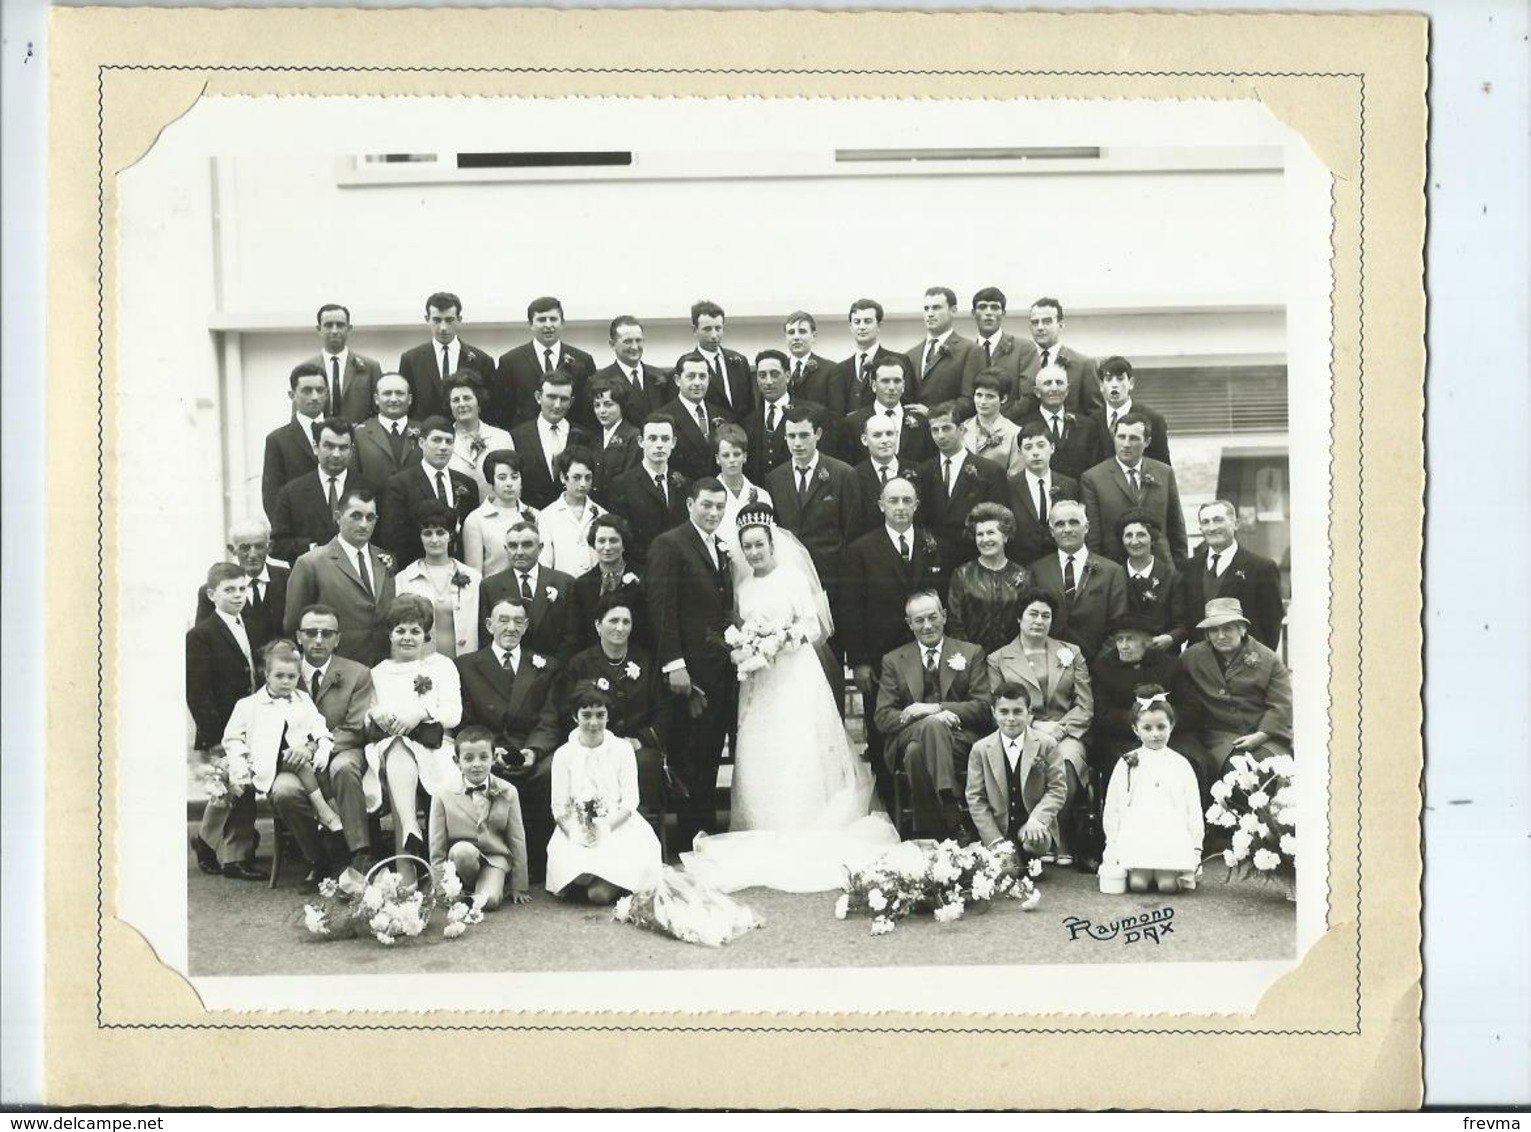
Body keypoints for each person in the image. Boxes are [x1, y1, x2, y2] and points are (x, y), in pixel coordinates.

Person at [680, 507, 899, 892]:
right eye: (747, 547)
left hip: (796, 674)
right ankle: (763, 823)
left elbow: (815, 625)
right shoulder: (743, 587)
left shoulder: (794, 578)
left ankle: (805, 820)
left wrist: (781, 640)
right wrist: (749, 646)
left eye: (759, 545)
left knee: (799, 743)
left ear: (771, 543)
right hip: (759, 679)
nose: (753, 553)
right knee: (763, 744)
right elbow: (737, 626)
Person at [840, 477, 943, 810]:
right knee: (882, 730)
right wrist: (859, 661)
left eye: (906, 500)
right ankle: (889, 807)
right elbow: (851, 608)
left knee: (928, 727)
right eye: (893, 500)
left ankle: (930, 803)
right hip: (880, 660)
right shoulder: (860, 549)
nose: (900, 507)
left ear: (916, 504)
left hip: (928, 655)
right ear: (881, 505)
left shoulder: (933, 543)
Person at [646, 477, 736, 849]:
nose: (713, 512)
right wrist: (673, 664)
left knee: (708, 752)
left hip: (719, 670)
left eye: (719, 506)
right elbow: (661, 606)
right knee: (689, 755)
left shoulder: (718, 546)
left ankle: (705, 835)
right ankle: (687, 840)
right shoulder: (670, 544)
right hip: (688, 672)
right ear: (689, 505)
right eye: (706, 506)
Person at [455, 596, 564, 882]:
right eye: (503, 620)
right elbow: (467, 721)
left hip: (531, 747)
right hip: (489, 749)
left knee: (549, 773)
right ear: (489, 625)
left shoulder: (547, 666)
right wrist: (492, 752)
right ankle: (490, 862)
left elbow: (550, 718)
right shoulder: (466, 665)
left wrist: (533, 751)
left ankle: (539, 864)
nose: (510, 627)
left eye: (518, 621)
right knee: (480, 772)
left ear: (526, 626)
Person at [220, 639, 343, 887]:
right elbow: (232, 739)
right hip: (269, 766)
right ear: (267, 675)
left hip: (300, 762)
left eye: (292, 677)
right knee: (285, 792)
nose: (286, 682)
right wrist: (241, 764)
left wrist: (318, 745)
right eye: (279, 676)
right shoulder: (248, 705)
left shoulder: (302, 701)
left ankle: (336, 846)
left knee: (304, 765)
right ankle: (318, 852)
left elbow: (319, 726)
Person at [985, 588, 1093, 866]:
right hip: (1021, 731)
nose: (1039, 620)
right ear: (1019, 618)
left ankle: (1056, 834)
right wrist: (1036, 727)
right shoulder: (998, 659)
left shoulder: (1071, 653)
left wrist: (1060, 727)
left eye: (1046, 615)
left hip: (1064, 732)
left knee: (1067, 759)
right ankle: (1034, 838)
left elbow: (1085, 705)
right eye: (1032, 614)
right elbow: (998, 706)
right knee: (1031, 758)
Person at [873, 590, 992, 841]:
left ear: (944, 616)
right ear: (910, 624)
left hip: (960, 740)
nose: (927, 626)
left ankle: (928, 830)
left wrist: (936, 708)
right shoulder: (894, 660)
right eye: (919, 620)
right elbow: (883, 717)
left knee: (917, 752)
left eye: (932, 617)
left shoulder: (971, 653)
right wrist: (924, 718)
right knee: (930, 728)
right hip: (908, 735)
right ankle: (951, 808)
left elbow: (983, 708)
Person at [364, 594, 464, 885]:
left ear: (426, 634)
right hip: (389, 751)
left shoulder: (442, 666)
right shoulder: (377, 672)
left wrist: (420, 712)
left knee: (403, 748)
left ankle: (406, 858)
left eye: (415, 631)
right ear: (390, 634)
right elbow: (366, 715)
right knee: (397, 746)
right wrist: (377, 714)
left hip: (434, 746)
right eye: (400, 631)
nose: (407, 638)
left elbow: (454, 713)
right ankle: (410, 833)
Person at [545, 684, 664, 904]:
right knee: (581, 877)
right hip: (577, 826)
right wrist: (576, 832)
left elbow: (630, 801)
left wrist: (605, 827)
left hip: (617, 825)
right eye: (586, 715)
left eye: (600, 715)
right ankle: (591, 876)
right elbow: (559, 807)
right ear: (574, 716)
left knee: (597, 896)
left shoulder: (622, 749)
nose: (593, 723)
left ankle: (613, 881)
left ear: (608, 716)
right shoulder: (564, 754)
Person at [554, 594, 668, 818]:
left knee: (644, 763)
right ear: (598, 625)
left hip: (635, 743)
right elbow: (567, 710)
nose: (620, 627)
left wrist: (641, 739)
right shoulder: (581, 663)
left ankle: (634, 821)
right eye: (613, 621)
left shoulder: (646, 662)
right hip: (591, 741)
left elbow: (663, 710)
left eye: (626, 622)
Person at [186, 563, 264, 880]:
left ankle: (208, 843)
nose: (237, 595)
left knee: (237, 789)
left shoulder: (252, 624)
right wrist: (214, 735)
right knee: (231, 789)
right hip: (223, 725)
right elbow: (197, 692)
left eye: (242, 589)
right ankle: (235, 857)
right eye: (229, 590)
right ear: (212, 594)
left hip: (251, 723)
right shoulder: (201, 635)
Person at [1173, 597, 1294, 793]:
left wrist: (1261, 735)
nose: (1221, 635)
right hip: (1217, 737)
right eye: (1214, 630)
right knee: (1237, 774)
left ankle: (1271, 823)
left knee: (1271, 771)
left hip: (1265, 734)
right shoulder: (1191, 658)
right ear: (1206, 634)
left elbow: (1282, 704)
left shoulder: (1268, 658)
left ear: (1242, 629)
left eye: (1228, 628)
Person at [294, 603, 377, 875]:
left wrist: (314, 748)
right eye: (311, 632)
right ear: (299, 636)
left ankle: (358, 853)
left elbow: (354, 727)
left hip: (345, 748)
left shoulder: (357, 673)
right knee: (284, 791)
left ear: (337, 639)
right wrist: (300, 752)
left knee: (342, 768)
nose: (318, 640)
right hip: (296, 759)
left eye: (327, 633)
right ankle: (318, 858)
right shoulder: (284, 673)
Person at [763, 404, 860, 632]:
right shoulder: (775, 478)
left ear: (817, 434)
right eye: (791, 436)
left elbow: (851, 530)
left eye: (804, 435)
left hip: (831, 578)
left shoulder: (842, 474)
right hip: (790, 578)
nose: (797, 443)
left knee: (831, 645)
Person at [1101, 687, 1204, 894]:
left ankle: (1166, 872)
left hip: (1169, 835)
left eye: (1161, 727)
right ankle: (1143, 869)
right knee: (1138, 885)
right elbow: (1113, 805)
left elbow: (1193, 806)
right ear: (1135, 730)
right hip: (1139, 834)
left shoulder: (1180, 764)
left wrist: (1195, 846)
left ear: (1171, 726)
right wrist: (1113, 841)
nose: (1155, 734)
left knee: (1167, 886)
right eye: (1147, 728)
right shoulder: (1127, 763)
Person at [283, 486, 396, 666]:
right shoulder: (311, 563)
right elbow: (293, 626)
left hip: (382, 666)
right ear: (338, 517)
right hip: (337, 668)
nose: (363, 524)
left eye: (370, 517)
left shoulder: (385, 560)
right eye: (356, 516)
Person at [428, 724, 532, 910]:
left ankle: (485, 886)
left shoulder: (508, 791)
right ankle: (461, 888)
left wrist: (519, 885)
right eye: (468, 758)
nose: (476, 764)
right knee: (462, 851)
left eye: (483, 757)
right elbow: (437, 846)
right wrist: (441, 887)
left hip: (494, 858)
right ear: (456, 761)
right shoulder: (442, 793)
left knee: (489, 902)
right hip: (461, 859)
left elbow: (517, 839)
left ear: (493, 759)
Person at [916, 401, 1010, 592]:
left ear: (961, 429)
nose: (940, 435)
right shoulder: (924, 471)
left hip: (976, 564)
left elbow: (999, 521)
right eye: (935, 430)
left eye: (946, 428)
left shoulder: (989, 471)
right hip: (935, 567)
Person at [965, 682, 1066, 856]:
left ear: (1029, 713)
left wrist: (1037, 819)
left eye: (1018, 711)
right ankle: (1012, 859)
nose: (1010, 718)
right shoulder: (980, 749)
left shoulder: (1046, 744)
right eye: (1004, 712)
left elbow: (1057, 788)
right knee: (1008, 872)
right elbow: (976, 798)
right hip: (999, 829)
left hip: (1032, 827)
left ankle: (1031, 857)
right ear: (993, 713)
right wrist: (994, 839)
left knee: (1035, 847)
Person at [1171, 500, 1286, 651]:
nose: (1212, 528)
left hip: (1244, 663)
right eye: (1205, 522)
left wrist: (1257, 664)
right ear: (1200, 528)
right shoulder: (1188, 568)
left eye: (1218, 520)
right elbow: (1184, 620)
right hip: (1200, 666)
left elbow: (1271, 624)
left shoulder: (1261, 568)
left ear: (1236, 524)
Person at [1081, 412, 1189, 567]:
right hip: (1116, 567)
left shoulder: (1164, 473)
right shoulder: (1093, 478)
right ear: (1113, 437)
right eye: (1121, 437)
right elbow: (1093, 538)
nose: (1126, 444)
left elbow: (1176, 527)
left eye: (1134, 438)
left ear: (1147, 441)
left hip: (1161, 567)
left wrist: (1181, 572)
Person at [1028, 499, 1128, 659]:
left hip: (1098, 664)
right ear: (1052, 532)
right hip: (1048, 663)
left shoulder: (1112, 571)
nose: (1067, 529)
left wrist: (1101, 662)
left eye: (1073, 523)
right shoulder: (1037, 571)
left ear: (1086, 527)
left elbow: (1119, 623)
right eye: (1060, 524)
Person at [1089, 614, 1182, 784]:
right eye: (1119, 640)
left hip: (1169, 736)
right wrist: (1139, 723)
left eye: (1130, 639)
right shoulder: (1103, 668)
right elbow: (1101, 714)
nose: (1123, 646)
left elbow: (1190, 708)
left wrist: (1161, 723)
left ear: (1146, 642)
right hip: (1122, 738)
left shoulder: (1170, 666)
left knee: (1193, 761)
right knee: (1128, 766)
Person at [379, 416, 478, 567]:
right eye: (436, 440)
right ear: (421, 443)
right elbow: (394, 538)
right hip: (417, 569)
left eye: (449, 441)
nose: (443, 447)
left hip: (458, 570)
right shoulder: (400, 484)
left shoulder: (467, 484)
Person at [491, 295, 597, 431]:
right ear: (530, 324)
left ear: (562, 322)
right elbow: (503, 411)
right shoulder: (510, 361)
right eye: (541, 320)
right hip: (526, 441)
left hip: (572, 440)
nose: (548, 325)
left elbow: (589, 408)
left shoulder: (583, 360)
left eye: (553, 319)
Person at [393, 501, 483, 659]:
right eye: (428, 533)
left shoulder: (473, 578)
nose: (434, 540)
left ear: (451, 535)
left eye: (440, 533)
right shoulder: (404, 579)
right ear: (420, 536)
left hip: (466, 663)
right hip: (421, 666)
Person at [479, 522, 577, 661]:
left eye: (527, 545)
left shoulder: (564, 583)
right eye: (513, 546)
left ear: (540, 547)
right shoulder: (490, 586)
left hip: (554, 669)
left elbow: (571, 636)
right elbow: (486, 637)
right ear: (506, 549)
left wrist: (553, 669)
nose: (519, 552)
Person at [605, 414, 690, 570]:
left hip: (681, 571)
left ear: (674, 443)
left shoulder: (684, 484)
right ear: (640, 442)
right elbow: (625, 538)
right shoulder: (622, 485)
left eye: (665, 439)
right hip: (643, 572)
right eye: (652, 438)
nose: (659, 445)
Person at [395, 291, 495, 423]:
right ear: (427, 319)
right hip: (426, 437)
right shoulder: (411, 359)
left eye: (449, 320)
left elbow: (490, 408)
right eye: (437, 320)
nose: (443, 327)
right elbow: (406, 405)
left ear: (459, 320)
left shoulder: (482, 360)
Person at [946, 502, 1033, 655]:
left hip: (1014, 660)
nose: (985, 539)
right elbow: (955, 625)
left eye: (991, 532)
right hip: (973, 660)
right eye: (980, 534)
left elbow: (1029, 622)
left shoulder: (1023, 575)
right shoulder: (962, 574)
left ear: (1005, 536)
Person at [193, 516, 289, 650]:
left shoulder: (288, 580)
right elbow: (202, 640)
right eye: (245, 548)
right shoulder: (213, 591)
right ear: (232, 549)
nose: (253, 554)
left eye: (259, 546)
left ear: (270, 547)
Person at [269, 417, 355, 563]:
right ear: (315, 447)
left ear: (351, 449)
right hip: (309, 578)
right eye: (329, 446)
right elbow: (277, 545)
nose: (336, 454)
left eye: (343, 448)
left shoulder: (370, 488)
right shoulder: (291, 493)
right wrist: (312, 548)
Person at [510, 371, 595, 510]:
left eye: (564, 399)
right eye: (551, 397)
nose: (557, 405)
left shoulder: (585, 437)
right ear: (538, 397)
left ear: (571, 402)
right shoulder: (517, 436)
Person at [566, 514, 649, 656]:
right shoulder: (582, 584)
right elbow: (575, 634)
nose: (607, 547)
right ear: (594, 544)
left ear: (624, 544)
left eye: (614, 541)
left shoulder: (644, 576)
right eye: (601, 541)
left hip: (637, 658)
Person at [1014, 363, 1109, 482]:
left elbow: (1095, 469)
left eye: (1059, 383)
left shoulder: (1088, 426)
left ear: (1067, 390)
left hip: (1080, 496)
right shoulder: (1022, 426)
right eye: (1048, 383)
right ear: (1037, 392)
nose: (1054, 388)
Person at [743, 348, 825, 484]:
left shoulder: (814, 413)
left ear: (787, 376)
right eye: (762, 375)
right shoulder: (748, 421)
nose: (768, 381)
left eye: (775, 374)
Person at [260, 362, 330, 522]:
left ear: (327, 393)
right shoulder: (278, 439)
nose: (314, 397)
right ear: (292, 395)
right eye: (307, 390)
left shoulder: (342, 433)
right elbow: (271, 496)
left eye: (320, 390)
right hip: (300, 531)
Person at [1006, 421, 1082, 565]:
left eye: (1041, 445)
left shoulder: (1069, 485)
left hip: (1059, 563)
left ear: (1052, 448)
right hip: (1022, 563)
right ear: (1020, 452)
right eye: (1028, 447)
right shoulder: (1010, 486)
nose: (1035, 452)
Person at [829, 297, 915, 417]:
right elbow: (836, 412)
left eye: (867, 321)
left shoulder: (900, 361)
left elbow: (907, 402)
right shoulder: (839, 369)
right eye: (857, 322)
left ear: (879, 325)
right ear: (850, 327)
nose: (862, 327)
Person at [460, 449, 540, 579]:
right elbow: (475, 573)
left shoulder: (535, 515)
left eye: (514, 477)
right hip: (495, 594)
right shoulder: (476, 520)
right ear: (491, 480)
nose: (509, 483)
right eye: (502, 478)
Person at [839, 357, 933, 466]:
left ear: (903, 386)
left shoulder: (922, 422)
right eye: (885, 381)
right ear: (874, 385)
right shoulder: (853, 423)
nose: (892, 387)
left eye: (897, 381)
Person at [905, 286, 979, 417]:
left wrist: (932, 413)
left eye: (936, 307)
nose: (930, 313)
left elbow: (970, 400)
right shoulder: (911, 354)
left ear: (953, 310)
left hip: (950, 430)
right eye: (926, 309)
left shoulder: (970, 350)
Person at [968, 286, 1041, 419]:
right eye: (983, 307)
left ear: (1003, 313)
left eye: (995, 307)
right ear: (973, 313)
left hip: (1014, 428)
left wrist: (996, 421)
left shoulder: (1024, 348)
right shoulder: (967, 351)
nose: (988, 312)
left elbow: (1029, 397)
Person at [848, 410, 922, 538]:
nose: (885, 440)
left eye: (889, 434)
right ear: (865, 440)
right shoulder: (853, 476)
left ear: (897, 436)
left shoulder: (918, 471)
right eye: (877, 435)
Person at [1023, 297, 1102, 416]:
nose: (1040, 327)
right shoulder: (1023, 361)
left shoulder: (1084, 364)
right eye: (1035, 322)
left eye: (1047, 321)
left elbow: (1096, 413)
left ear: (1061, 326)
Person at [444, 372, 516, 503]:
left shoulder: (501, 437)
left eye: (467, 398)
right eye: (455, 400)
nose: (461, 404)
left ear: (479, 402)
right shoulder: (444, 441)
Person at [307, 302, 383, 424]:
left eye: (340, 325)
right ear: (319, 329)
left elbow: (380, 411)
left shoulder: (370, 367)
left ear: (349, 328)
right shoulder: (306, 369)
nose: (335, 330)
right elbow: (299, 414)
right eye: (328, 325)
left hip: (360, 439)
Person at [536, 446, 605, 577]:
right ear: (563, 477)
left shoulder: (602, 514)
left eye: (588, 478)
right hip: (562, 591)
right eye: (576, 477)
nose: (583, 484)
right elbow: (544, 563)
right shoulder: (547, 516)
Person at [1091, 356, 1171, 466]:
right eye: (1109, 379)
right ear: (1101, 385)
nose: (1114, 385)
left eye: (1120, 379)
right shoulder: (1092, 421)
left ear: (1131, 383)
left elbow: (1163, 467)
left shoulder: (1153, 419)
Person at [680, 299, 754, 418]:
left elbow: (750, 405)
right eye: (707, 329)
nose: (714, 335)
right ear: (694, 330)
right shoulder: (687, 366)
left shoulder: (739, 361)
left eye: (718, 328)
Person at [664, 354, 730, 482]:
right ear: (678, 380)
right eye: (690, 376)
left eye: (702, 376)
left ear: (709, 379)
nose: (697, 383)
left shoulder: (724, 416)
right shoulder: (664, 417)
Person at [1116, 510, 1179, 648]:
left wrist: (1170, 638)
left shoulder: (1171, 576)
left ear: (1153, 538)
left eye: (1141, 535)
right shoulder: (1114, 576)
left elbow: (1183, 624)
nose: (1134, 541)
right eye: (1128, 535)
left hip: (1161, 655)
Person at [593, 314, 669, 427]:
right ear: (612, 344)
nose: (634, 347)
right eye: (628, 341)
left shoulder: (659, 376)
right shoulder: (598, 380)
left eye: (638, 340)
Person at [711, 423, 775, 556]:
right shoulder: (709, 495)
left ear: (744, 457)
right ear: (717, 459)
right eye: (726, 455)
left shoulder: (762, 495)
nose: (732, 460)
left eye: (736, 454)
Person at [351, 373, 422, 493]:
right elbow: (353, 477)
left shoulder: (424, 431)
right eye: (387, 393)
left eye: (399, 393)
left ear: (409, 399)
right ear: (376, 399)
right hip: (374, 507)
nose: (393, 399)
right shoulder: (359, 434)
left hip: (417, 507)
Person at [586, 375, 643, 503]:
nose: (601, 411)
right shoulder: (595, 438)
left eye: (608, 405)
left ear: (621, 405)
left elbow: (631, 481)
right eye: (597, 405)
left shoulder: (633, 436)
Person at [961, 370, 1027, 479]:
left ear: (1004, 399)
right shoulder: (962, 428)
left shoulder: (1015, 433)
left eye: (990, 396)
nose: (982, 401)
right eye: (979, 395)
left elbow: (1014, 476)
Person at [782, 310, 837, 407]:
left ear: (814, 336)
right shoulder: (778, 369)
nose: (796, 337)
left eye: (802, 331)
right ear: (786, 338)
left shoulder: (831, 370)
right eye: (791, 332)